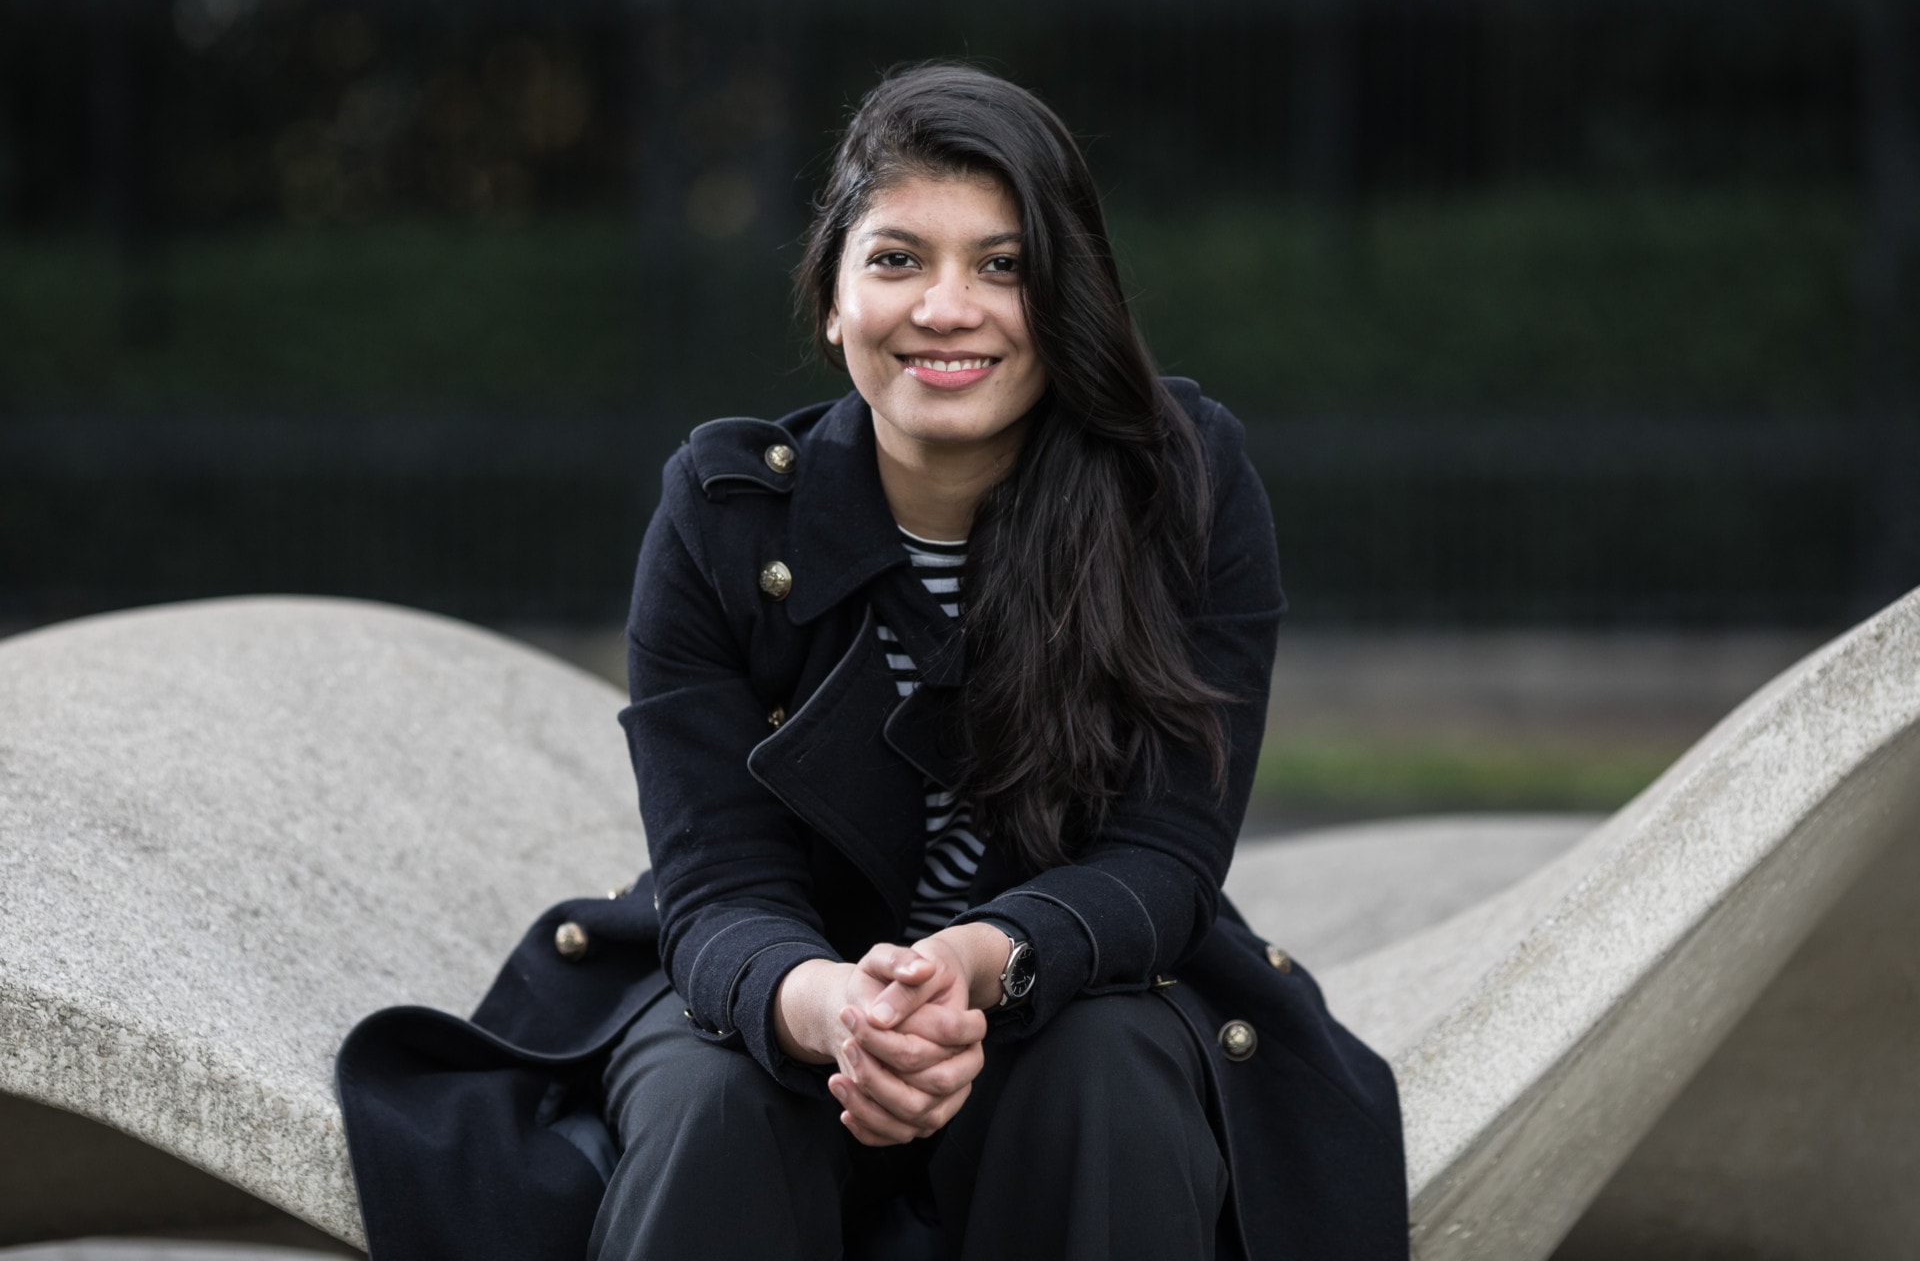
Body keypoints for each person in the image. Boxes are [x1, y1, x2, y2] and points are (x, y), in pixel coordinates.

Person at [336, 63, 1406, 1261]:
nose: (949, 308)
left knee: (1104, 1074)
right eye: (898, 259)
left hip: (1074, 983)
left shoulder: (1184, 488)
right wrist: (837, 1008)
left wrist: (966, 964)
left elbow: (1162, 856)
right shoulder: (721, 516)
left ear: (1072, 298)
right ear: (832, 303)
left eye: (1004, 265)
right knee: (713, 1098)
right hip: (782, 987)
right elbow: (720, 883)